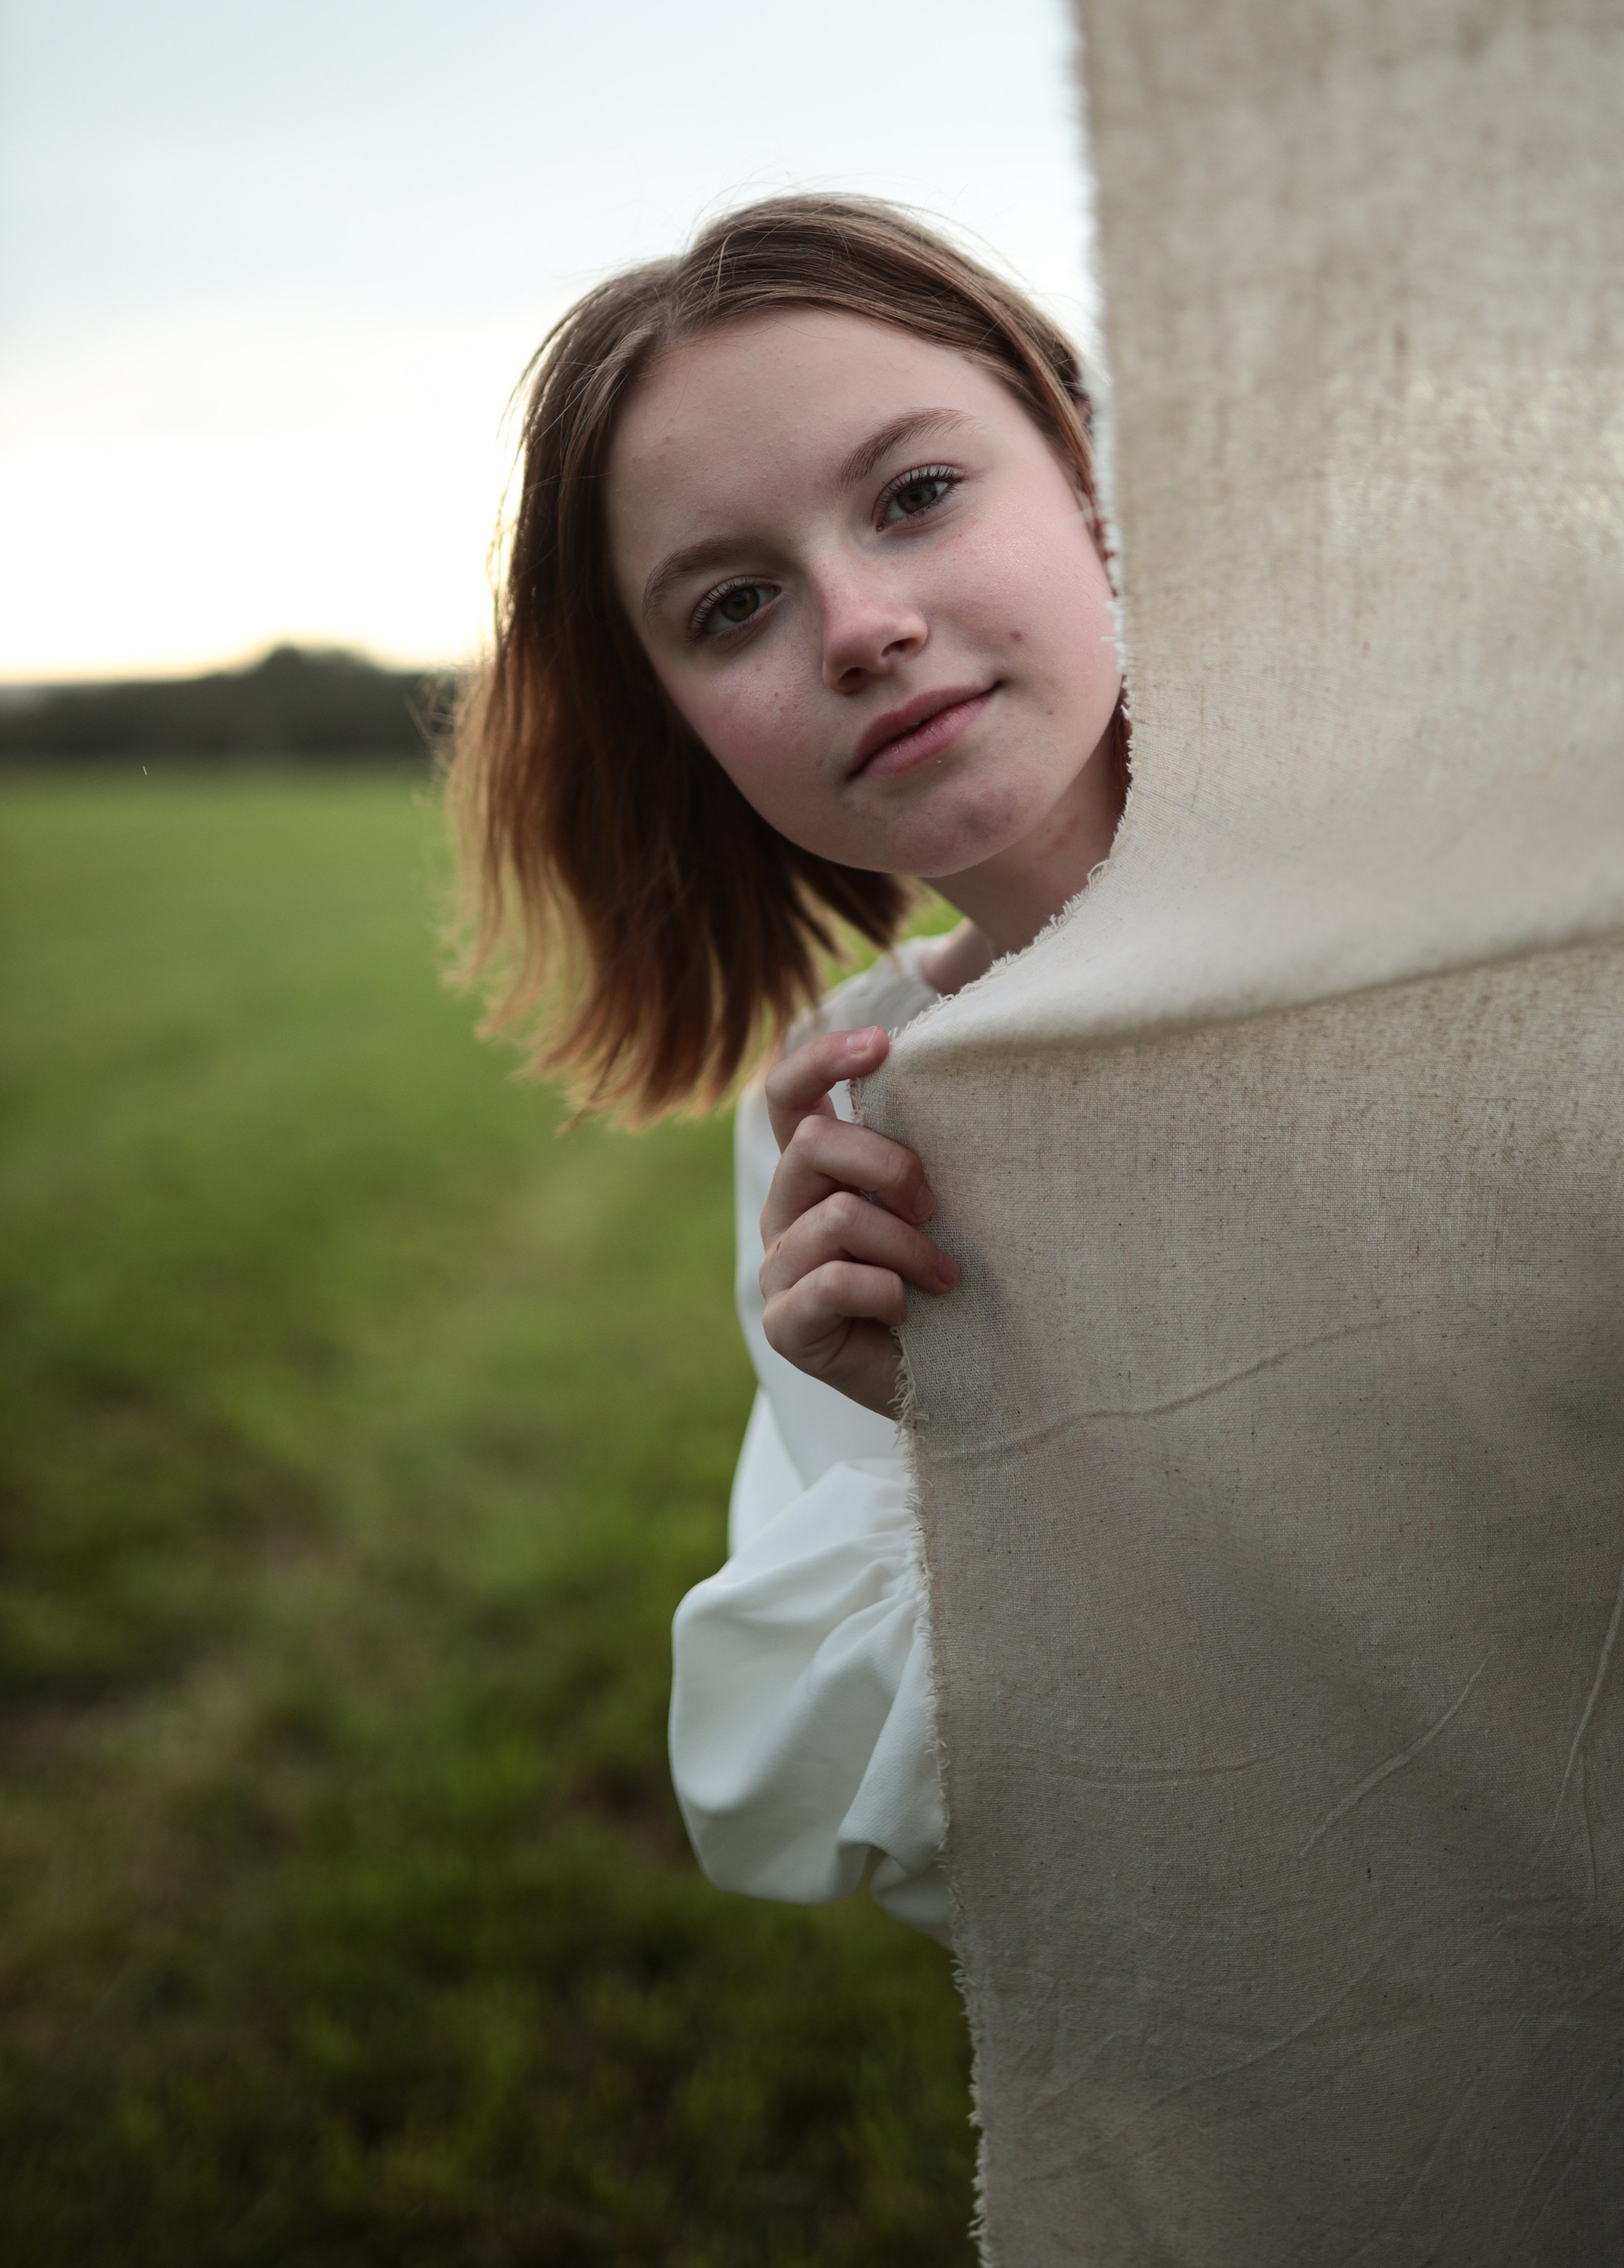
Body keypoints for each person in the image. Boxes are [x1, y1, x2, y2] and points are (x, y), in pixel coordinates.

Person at [450, 195, 1127, 1946]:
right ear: (680, 723)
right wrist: (956, 1451)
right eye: (733, 603)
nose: (856, 624)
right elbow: (892, 1832)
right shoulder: (858, 1132)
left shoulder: (1459, 887)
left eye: (914, 494)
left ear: (1083, 469)